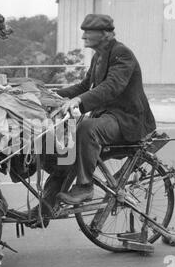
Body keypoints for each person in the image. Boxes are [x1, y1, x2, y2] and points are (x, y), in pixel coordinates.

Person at [55, 14, 156, 204]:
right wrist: (52, 95)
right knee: (65, 130)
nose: (83, 36)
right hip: (109, 116)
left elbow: (111, 87)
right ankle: (52, 194)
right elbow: (84, 86)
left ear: (105, 34)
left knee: (87, 129)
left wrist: (78, 100)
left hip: (127, 119)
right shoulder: (99, 56)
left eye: (88, 32)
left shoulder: (122, 54)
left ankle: (84, 187)